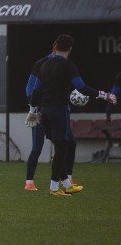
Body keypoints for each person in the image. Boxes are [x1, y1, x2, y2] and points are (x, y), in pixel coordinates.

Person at [29, 34, 116, 197]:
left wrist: (32, 111)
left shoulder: (44, 66)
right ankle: (54, 188)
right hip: (58, 110)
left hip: (45, 111)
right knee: (62, 149)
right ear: (69, 49)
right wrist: (104, 95)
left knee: (61, 147)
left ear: (56, 47)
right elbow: (81, 87)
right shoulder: (68, 66)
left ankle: (67, 184)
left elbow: (35, 92)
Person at [23, 47, 79, 191]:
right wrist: (34, 109)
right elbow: (30, 89)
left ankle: (66, 179)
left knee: (68, 143)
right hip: (42, 111)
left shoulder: (62, 65)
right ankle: (29, 182)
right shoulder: (42, 64)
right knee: (38, 147)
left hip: (56, 110)